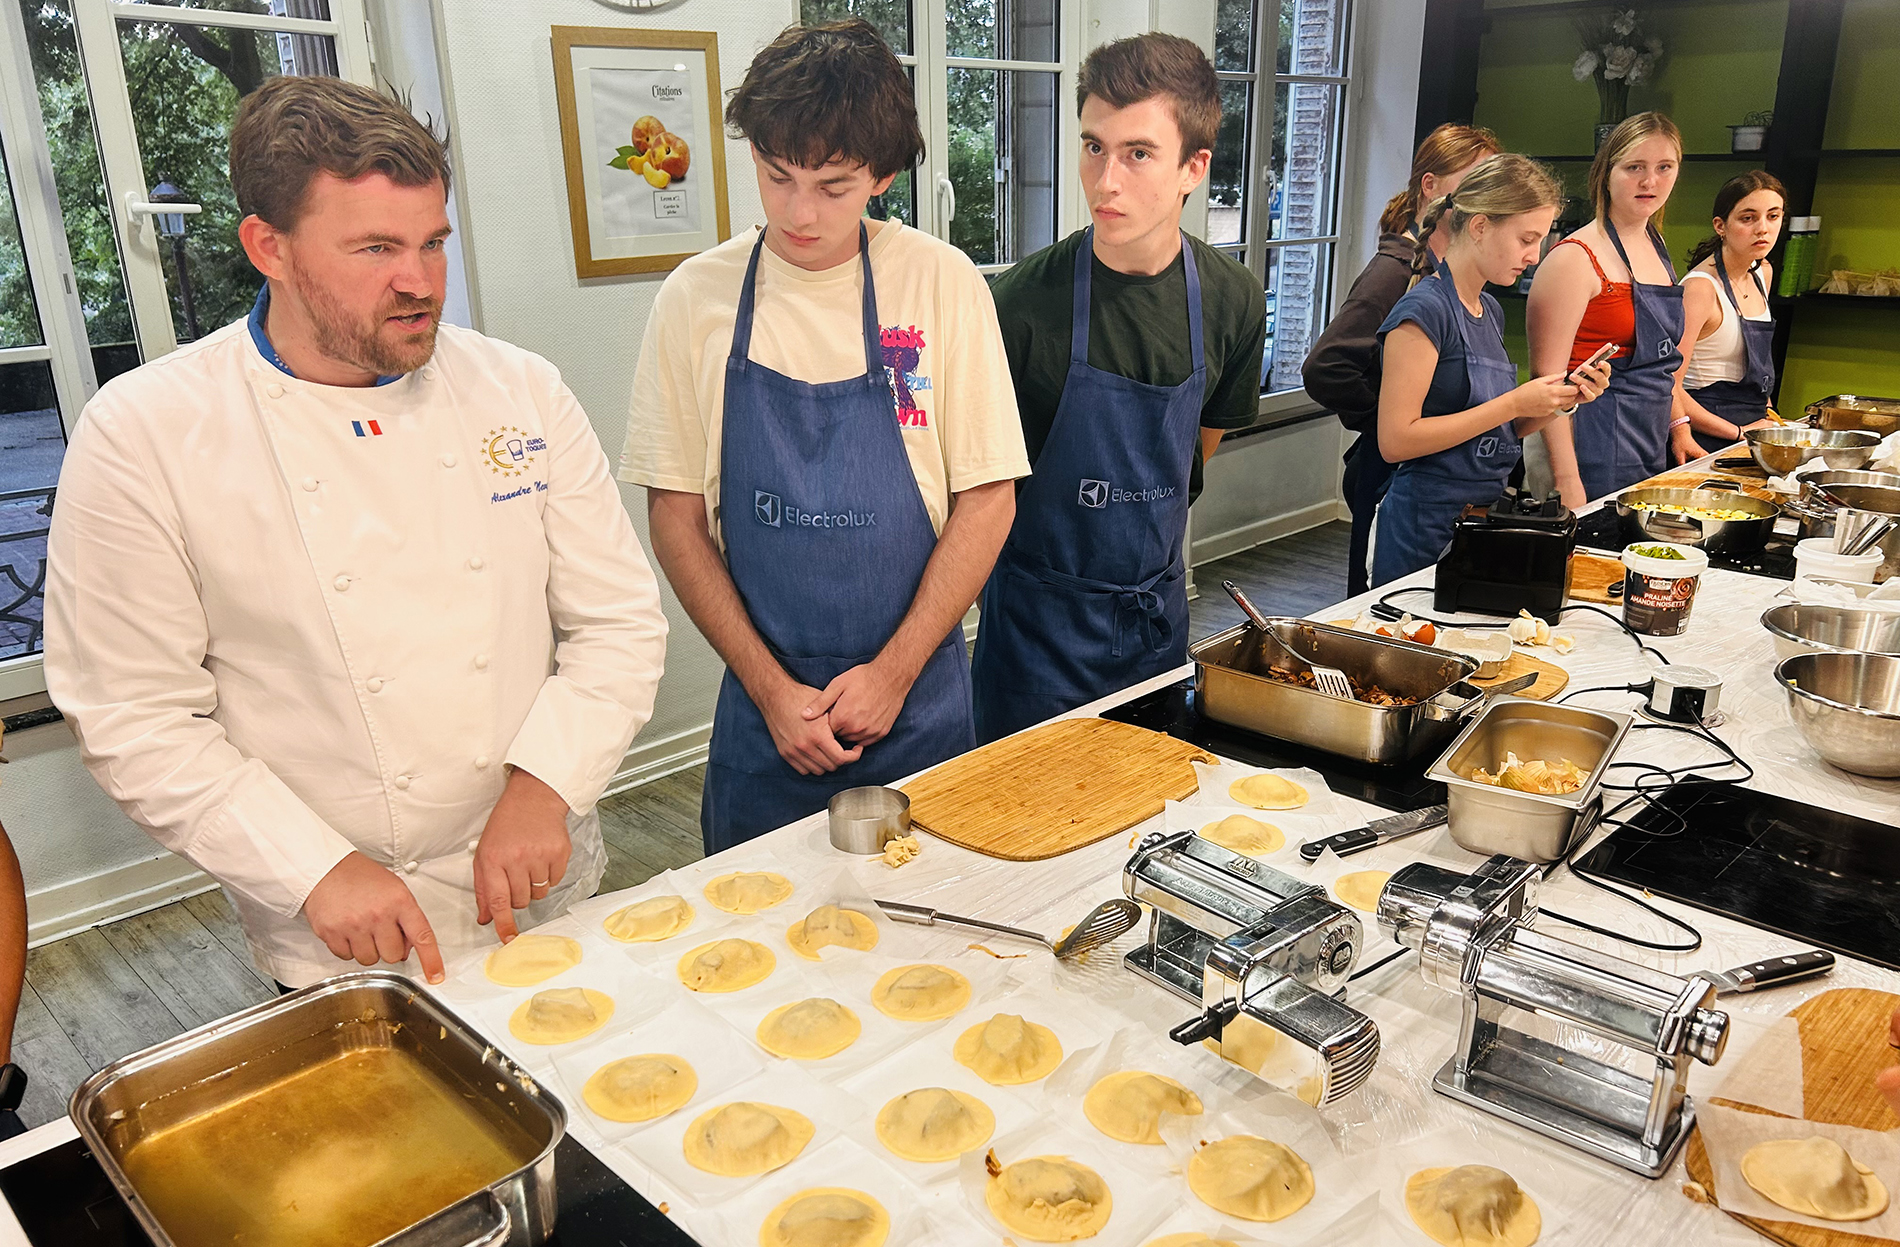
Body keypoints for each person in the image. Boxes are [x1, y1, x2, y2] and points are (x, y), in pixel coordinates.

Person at [44, 78, 669, 989]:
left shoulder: (521, 391)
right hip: (335, 917)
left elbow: (618, 623)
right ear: (271, 247)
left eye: (431, 243)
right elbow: (133, 715)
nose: (419, 282)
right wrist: (313, 868)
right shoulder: (146, 431)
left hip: (539, 876)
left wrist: (546, 787)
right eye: (375, 247)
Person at [623, 20, 1027, 852]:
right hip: (765, 723)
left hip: (916, 713)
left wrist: (894, 672)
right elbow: (674, 516)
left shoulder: (942, 285)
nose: (799, 212)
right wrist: (773, 692)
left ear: (882, 174)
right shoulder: (695, 301)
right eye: (778, 176)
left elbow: (988, 499)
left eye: (834, 186)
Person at [969, 33, 1266, 744]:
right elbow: (979, 496)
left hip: (1154, 631)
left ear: (1195, 166)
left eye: (1137, 153)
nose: (1105, 182)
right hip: (1033, 643)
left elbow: (1192, 458)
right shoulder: (1016, 305)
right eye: (1093, 146)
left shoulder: (1232, 301)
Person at [1370, 155, 1611, 586]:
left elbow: (1502, 429)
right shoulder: (1423, 312)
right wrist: (1514, 401)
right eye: (1526, 239)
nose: (1534, 257)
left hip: (1478, 520)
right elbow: (1395, 440)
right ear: (1479, 226)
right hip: (1420, 527)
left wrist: (1561, 401)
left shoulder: (1490, 311)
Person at [1305, 124, 1500, 597]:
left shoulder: (1458, 280)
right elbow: (1326, 366)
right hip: (1391, 471)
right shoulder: (1396, 273)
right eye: (1473, 181)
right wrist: (1389, 419)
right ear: (1430, 187)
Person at [1529, 112, 1686, 505]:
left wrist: (1678, 427)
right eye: (1635, 167)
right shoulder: (1575, 258)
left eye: (1664, 167)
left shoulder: (1657, 246)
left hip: (1646, 437)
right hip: (1587, 440)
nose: (1650, 181)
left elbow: (1665, 364)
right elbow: (1545, 380)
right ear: (1606, 172)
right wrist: (1567, 479)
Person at [1674, 171, 1787, 457]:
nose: (1763, 229)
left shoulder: (1764, 272)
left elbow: (1757, 368)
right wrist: (1739, 434)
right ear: (1720, 226)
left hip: (1754, 428)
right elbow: (1667, 387)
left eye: (1773, 216)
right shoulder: (1699, 288)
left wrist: (1773, 422)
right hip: (1706, 434)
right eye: (1748, 218)